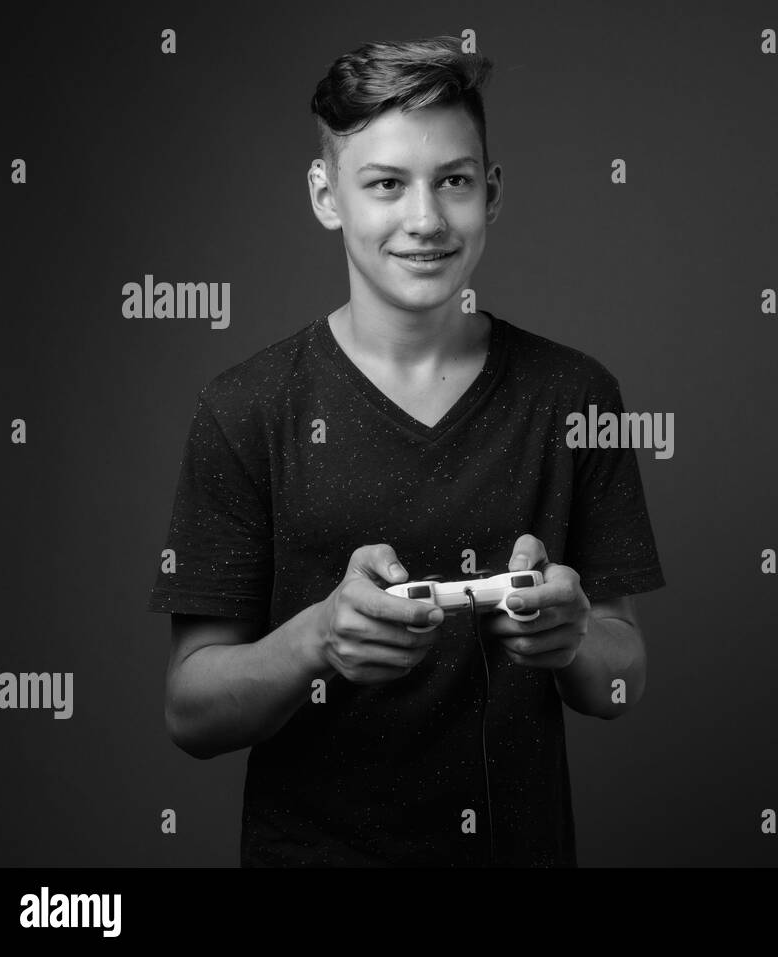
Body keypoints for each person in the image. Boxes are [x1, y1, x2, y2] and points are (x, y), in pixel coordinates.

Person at [145, 36, 665, 866]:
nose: (425, 219)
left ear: (490, 193)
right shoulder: (245, 408)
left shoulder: (576, 395)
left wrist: (571, 640)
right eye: (385, 184)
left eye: (453, 180)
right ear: (327, 195)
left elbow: (623, 677)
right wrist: (317, 638)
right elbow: (190, 711)